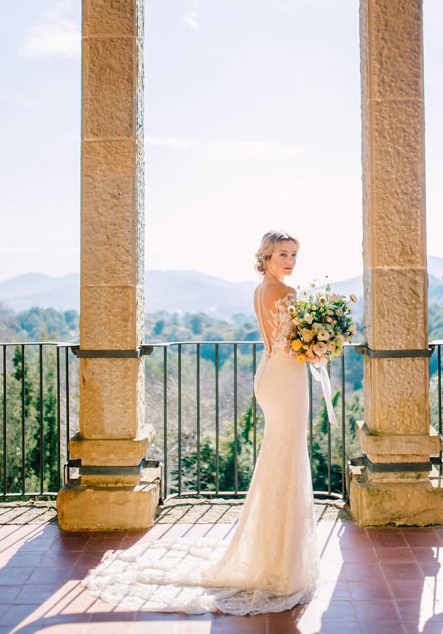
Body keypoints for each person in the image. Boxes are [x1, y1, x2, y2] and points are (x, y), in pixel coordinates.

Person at [84, 230, 322, 615]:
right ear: (266, 256)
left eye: (294, 254)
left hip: (270, 377)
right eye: (283, 254)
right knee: (288, 460)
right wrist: (320, 343)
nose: (291, 261)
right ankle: (281, 565)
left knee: (279, 460)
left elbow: (279, 341)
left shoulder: (261, 289)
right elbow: (296, 345)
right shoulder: (287, 294)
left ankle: (272, 554)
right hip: (287, 380)